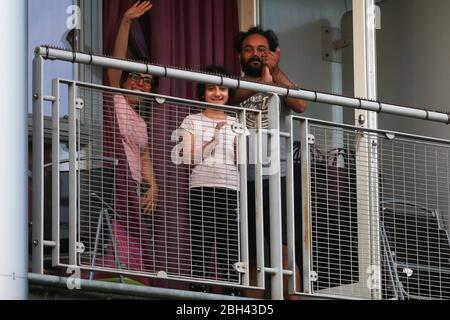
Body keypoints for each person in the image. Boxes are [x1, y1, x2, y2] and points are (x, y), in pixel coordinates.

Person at [232, 26, 307, 299]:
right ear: (240, 55)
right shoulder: (232, 86)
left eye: (262, 49)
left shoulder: (277, 80)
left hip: (280, 176)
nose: (255, 54)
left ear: (273, 54)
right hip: (242, 179)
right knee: (251, 254)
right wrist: (262, 84)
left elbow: (300, 104)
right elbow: (228, 99)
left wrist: (274, 74)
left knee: (285, 250)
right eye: (249, 49)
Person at [103, 0, 158, 272]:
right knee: (118, 244)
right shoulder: (116, 99)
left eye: (147, 81)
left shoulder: (142, 122)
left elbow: (144, 155)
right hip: (116, 182)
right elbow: (114, 64)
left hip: (138, 186)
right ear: (124, 80)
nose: (140, 83)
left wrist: (154, 186)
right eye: (135, 77)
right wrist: (125, 21)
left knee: (141, 245)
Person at [180, 65, 240, 295]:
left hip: (230, 190)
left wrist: (239, 148)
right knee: (201, 248)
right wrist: (215, 138)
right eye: (211, 88)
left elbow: (244, 163)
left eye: (223, 88)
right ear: (202, 92)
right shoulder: (191, 120)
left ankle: (232, 296)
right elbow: (189, 158)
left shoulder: (238, 121)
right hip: (201, 189)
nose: (217, 93)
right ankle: (198, 295)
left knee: (230, 249)